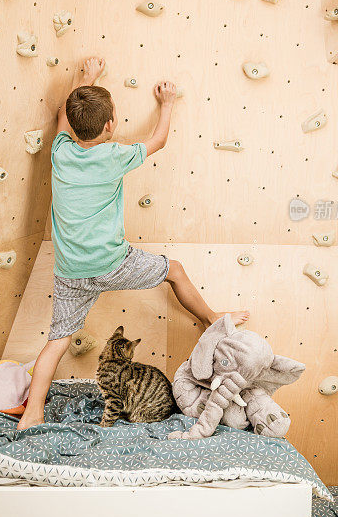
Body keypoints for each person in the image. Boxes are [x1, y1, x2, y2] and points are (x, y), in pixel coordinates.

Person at [17, 57, 249, 430]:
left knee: (57, 341)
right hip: (113, 264)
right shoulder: (114, 155)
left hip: (70, 271)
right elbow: (158, 140)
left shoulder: (59, 152)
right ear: (111, 126)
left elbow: (64, 118)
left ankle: (32, 413)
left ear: (73, 127)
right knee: (174, 270)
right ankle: (210, 318)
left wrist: (86, 79)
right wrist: (168, 103)